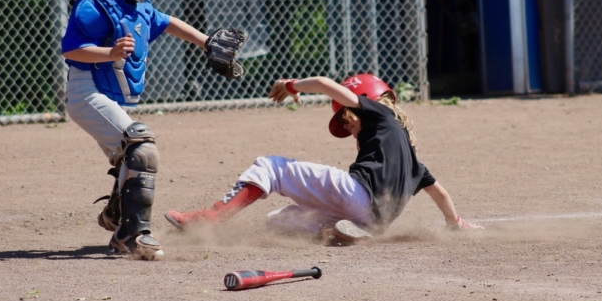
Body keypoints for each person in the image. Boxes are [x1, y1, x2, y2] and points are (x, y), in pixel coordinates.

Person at [62, 0, 245, 260]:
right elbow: (71, 48)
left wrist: (205, 42)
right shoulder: (94, 2)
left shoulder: (137, 4)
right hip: (86, 94)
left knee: (128, 158)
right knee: (141, 145)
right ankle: (132, 235)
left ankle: (118, 213)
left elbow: (167, 22)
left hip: (107, 97)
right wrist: (110, 53)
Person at [164, 74, 482, 243]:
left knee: (270, 167)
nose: (348, 125)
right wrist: (454, 223)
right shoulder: (413, 161)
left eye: (348, 118)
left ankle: (209, 219)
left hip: (358, 195)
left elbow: (323, 85)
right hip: (374, 220)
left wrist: (289, 86)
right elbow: (440, 192)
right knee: (280, 221)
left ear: (365, 102)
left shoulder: (378, 112)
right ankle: (334, 232)